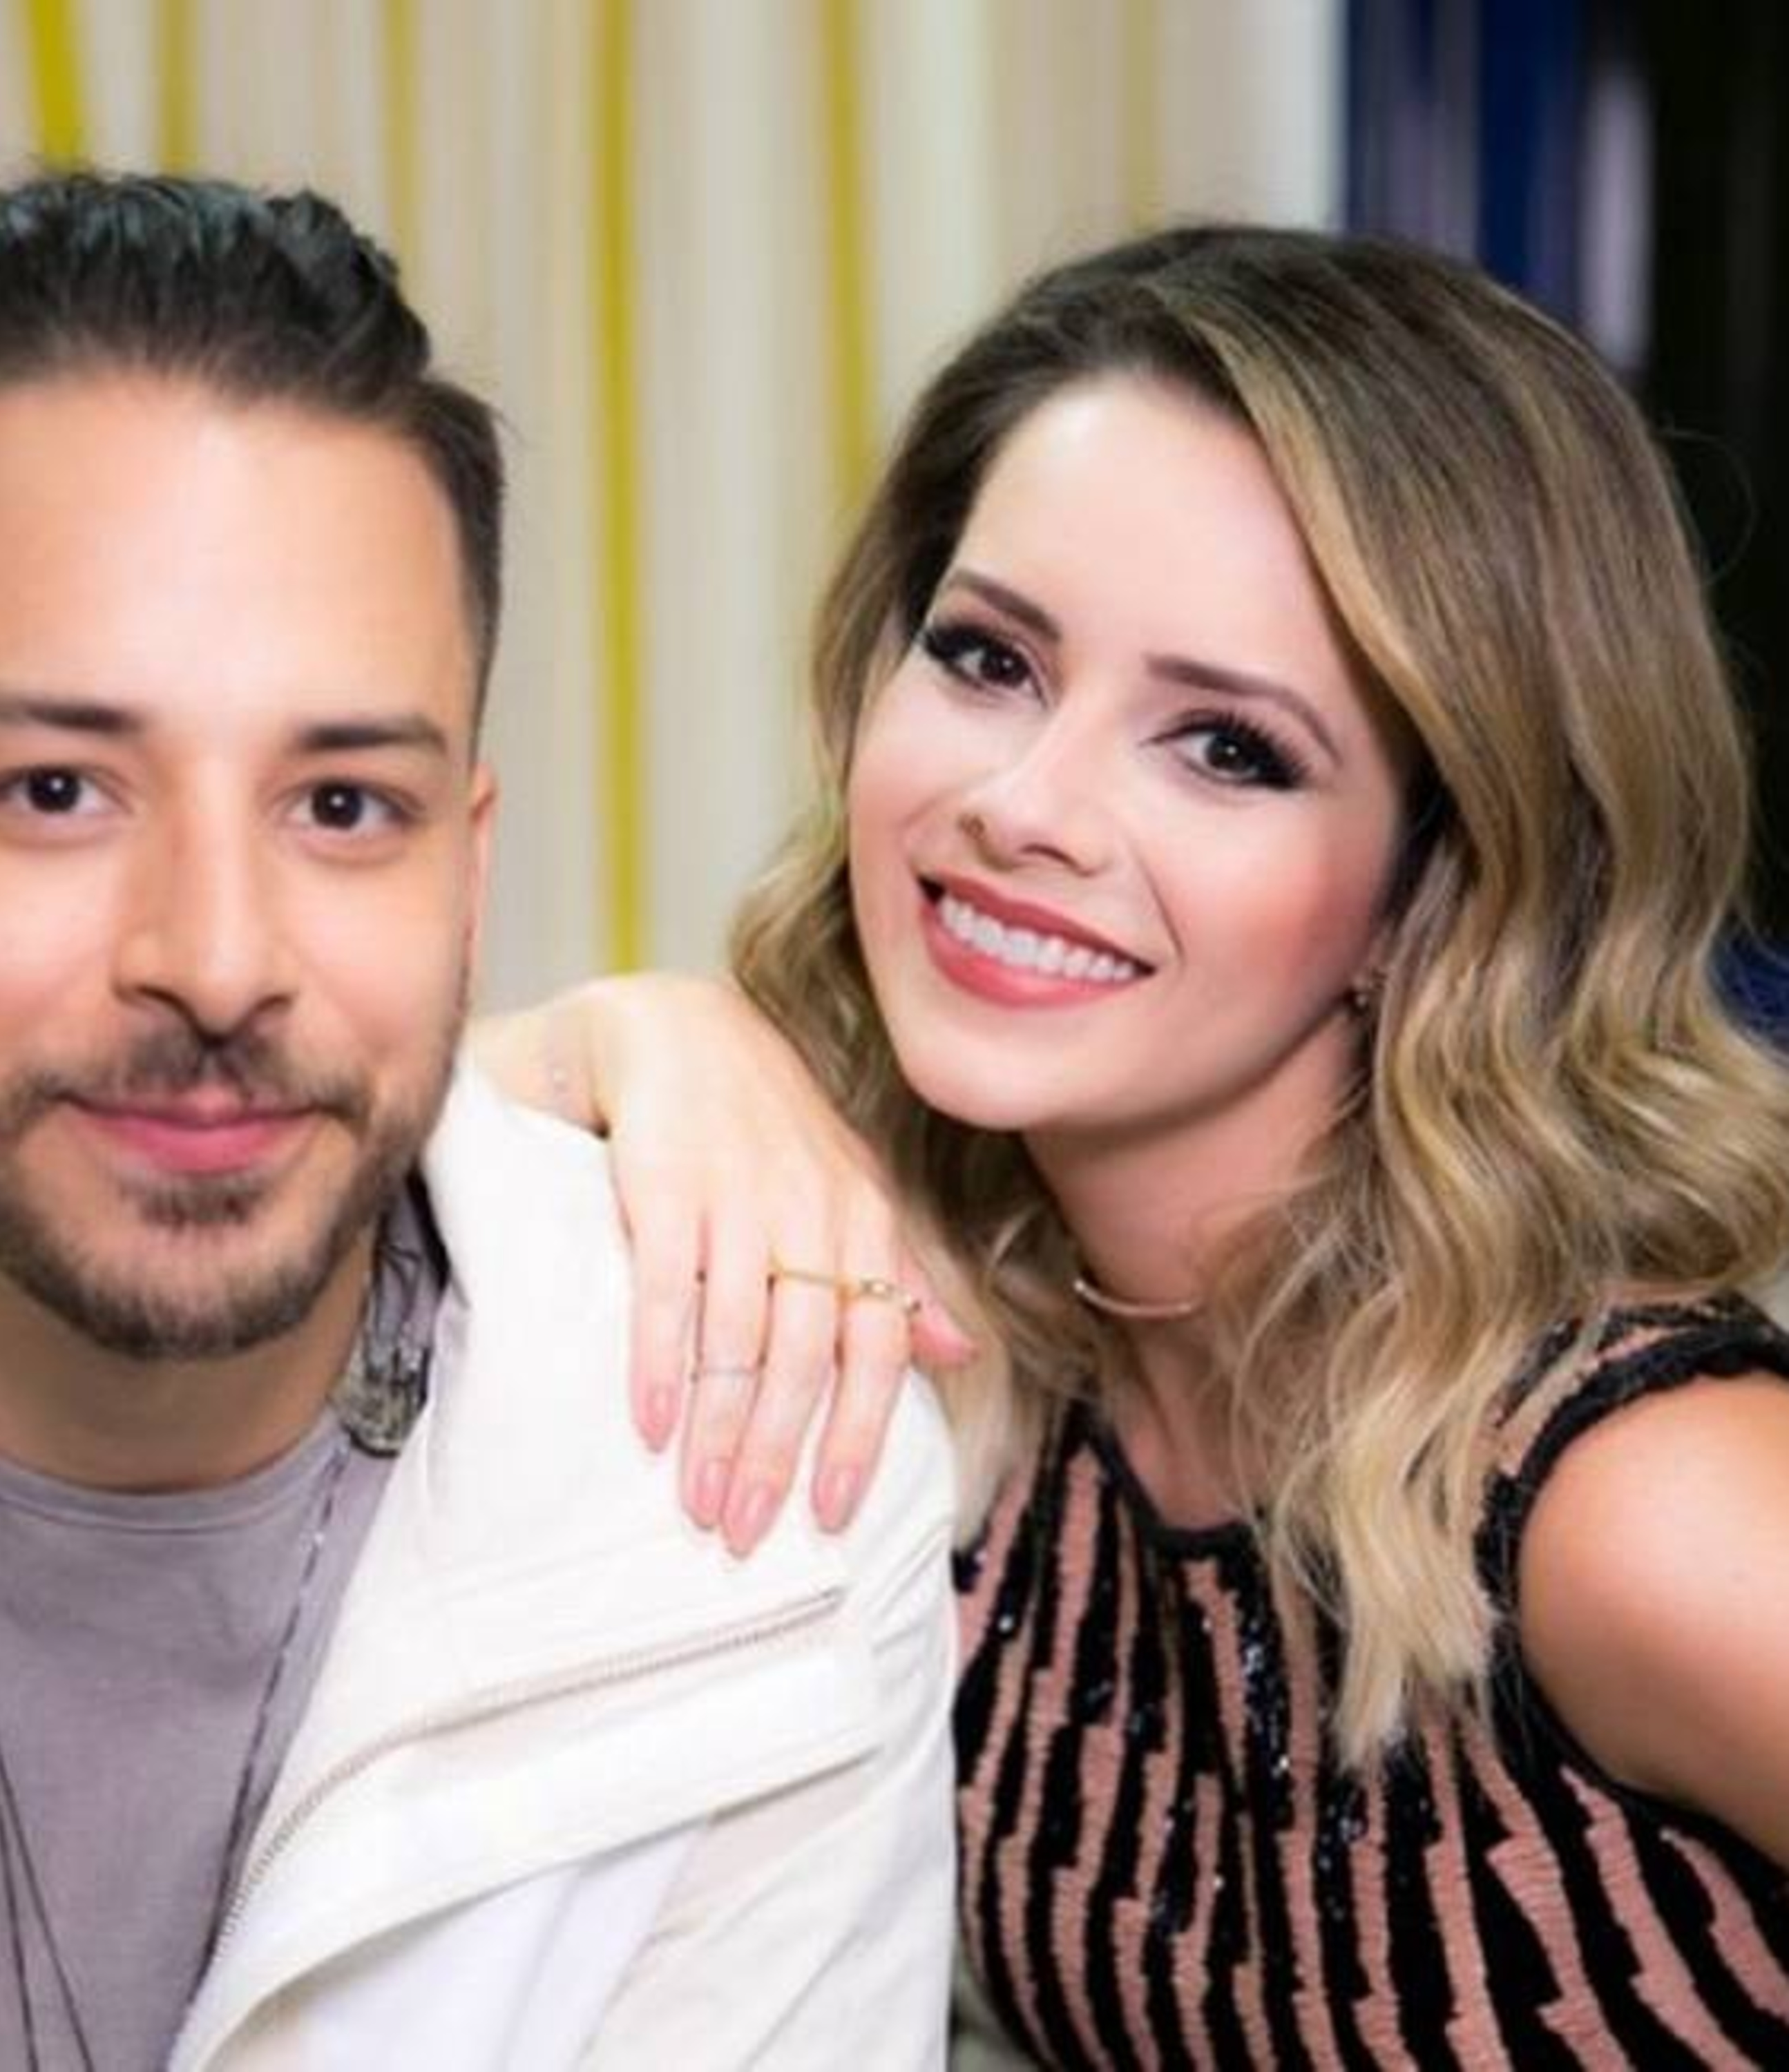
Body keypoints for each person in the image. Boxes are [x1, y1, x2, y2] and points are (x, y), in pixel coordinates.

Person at [484, 227, 1789, 2064]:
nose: (1023, 807)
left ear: (1443, 886)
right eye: (989, 659)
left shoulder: (1635, 1499)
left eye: (1227, 749)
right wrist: (642, 1036)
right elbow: (252, 1183)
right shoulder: (981, 1333)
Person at [0, 170, 955, 2070]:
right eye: (56, 790)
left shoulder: (765, 1513)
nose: (217, 962)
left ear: (467, 878)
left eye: (343, 807)